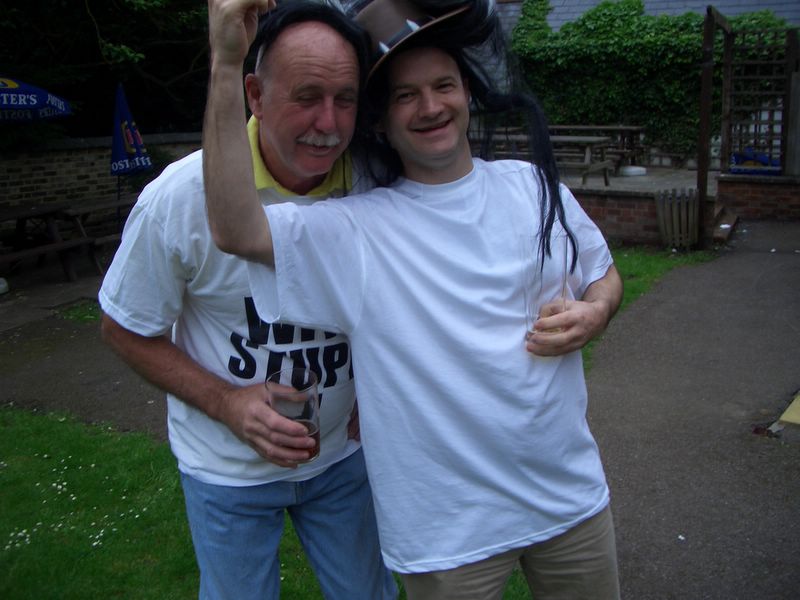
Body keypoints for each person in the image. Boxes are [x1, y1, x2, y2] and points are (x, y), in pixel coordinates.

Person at [204, 0, 624, 598]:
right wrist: (226, 64)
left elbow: (603, 273)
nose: (430, 107)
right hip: (448, 535)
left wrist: (597, 309)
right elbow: (235, 229)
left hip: (571, 502)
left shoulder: (532, 186)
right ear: (380, 122)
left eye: (443, 85)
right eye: (405, 96)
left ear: (467, 92)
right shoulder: (356, 230)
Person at [98, 2, 396, 598]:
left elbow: (394, 303)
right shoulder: (180, 197)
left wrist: (379, 388)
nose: (329, 123)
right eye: (306, 97)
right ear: (254, 94)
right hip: (226, 470)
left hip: (343, 459)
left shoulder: (373, 184)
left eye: (345, 98)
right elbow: (124, 327)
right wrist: (228, 403)